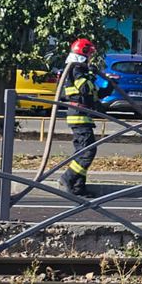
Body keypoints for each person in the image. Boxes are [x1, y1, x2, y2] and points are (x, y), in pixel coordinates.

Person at [59, 37, 113, 196]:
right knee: (88, 152)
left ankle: (78, 187)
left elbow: (95, 94)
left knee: (82, 152)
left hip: (83, 115)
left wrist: (110, 86)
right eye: (89, 55)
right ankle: (68, 178)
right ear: (82, 54)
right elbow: (85, 89)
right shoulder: (76, 69)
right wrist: (91, 73)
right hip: (78, 115)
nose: (90, 58)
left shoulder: (80, 71)